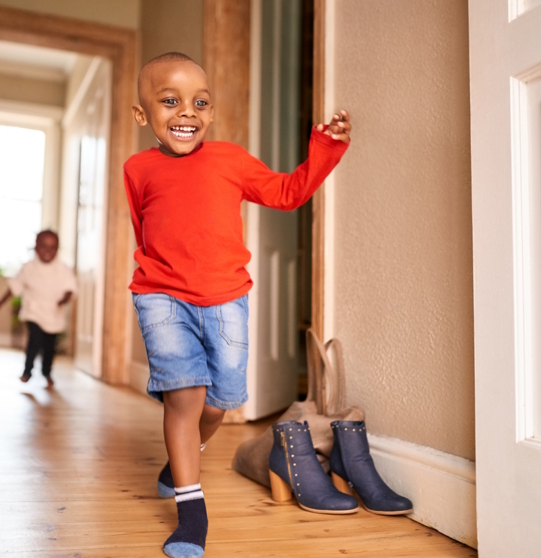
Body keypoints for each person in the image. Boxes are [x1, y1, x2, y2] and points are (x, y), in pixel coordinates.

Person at [125, 52, 352, 558]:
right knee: (184, 396)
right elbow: (146, 228)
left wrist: (326, 148)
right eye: (170, 101)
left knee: (220, 401)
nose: (187, 111)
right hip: (161, 295)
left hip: (226, 297)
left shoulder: (229, 159)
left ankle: (183, 457)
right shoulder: (136, 169)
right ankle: (192, 512)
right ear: (143, 114)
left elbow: (288, 193)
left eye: (200, 102)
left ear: (210, 111)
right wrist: (162, 276)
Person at [0, 230, 77, 388]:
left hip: (53, 314)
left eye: (53, 247)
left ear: (57, 249)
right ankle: (27, 371)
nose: (48, 251)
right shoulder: (29, 268)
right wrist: (1, 301)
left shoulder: (63, 269)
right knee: (34, 341)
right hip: (34, 311)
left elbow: (70, 288)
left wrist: (64, 299)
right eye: (43, 246)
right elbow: (15, 286)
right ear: (36, 247)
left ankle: (46, 372)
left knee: (49, 347)